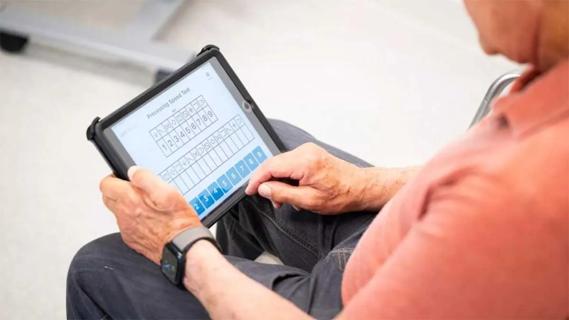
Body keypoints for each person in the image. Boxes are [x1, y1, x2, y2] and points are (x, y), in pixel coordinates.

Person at [67, 0, 568, 318]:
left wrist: (183, 247)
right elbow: (471, 177)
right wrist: (363, 184)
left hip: (354, 301)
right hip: (403, 245)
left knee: (99, 267)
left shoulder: (523, 195)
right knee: (263, 158)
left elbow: (499, 202)